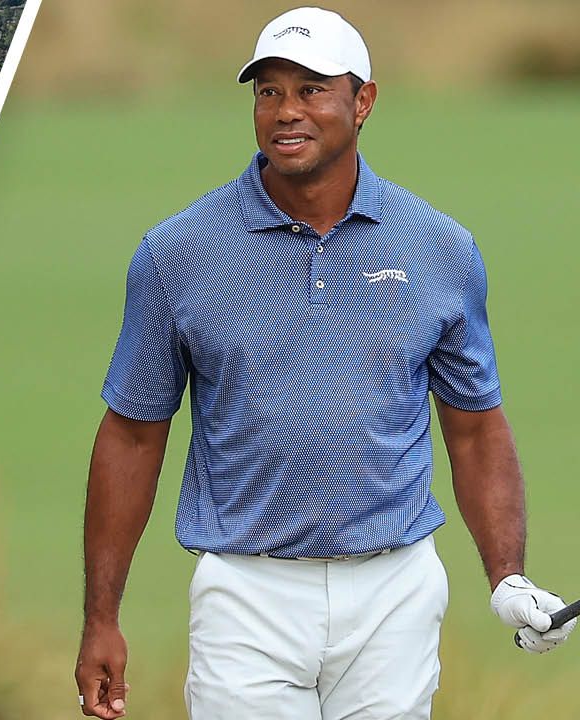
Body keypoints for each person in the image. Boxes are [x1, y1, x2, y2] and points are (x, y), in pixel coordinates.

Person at [74, 7, 575, 719]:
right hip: (246, 594)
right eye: (268, 91)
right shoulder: (176, 254)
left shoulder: (440, 249)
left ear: (362, 101)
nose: (286, 111)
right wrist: (101, 617)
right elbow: (131, 436)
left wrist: (507, 575)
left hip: (394, 590)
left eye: (312, 89)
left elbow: (474, 429)